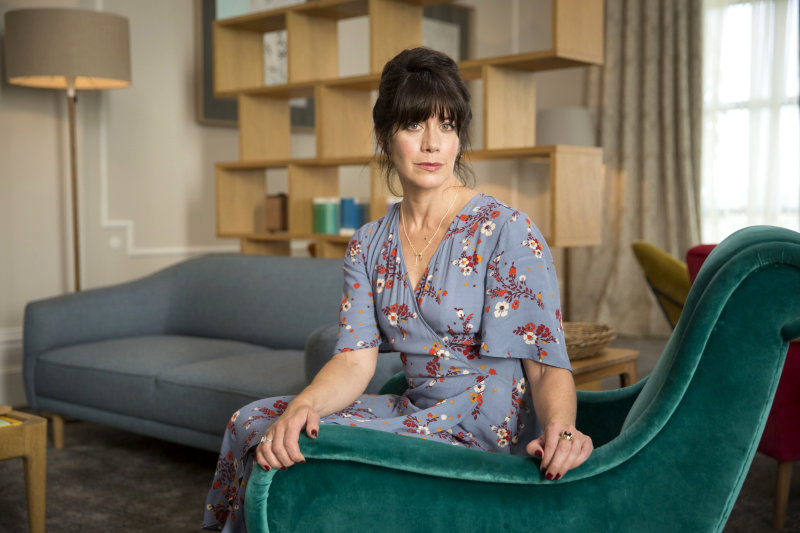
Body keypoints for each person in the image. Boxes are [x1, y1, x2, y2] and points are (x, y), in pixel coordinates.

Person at [203, 47, 593, 532]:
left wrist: (562, 429)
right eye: (413, 125)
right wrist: (304, 404)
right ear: (384, 136)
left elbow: (545, 364)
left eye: (446, 126)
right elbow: (354, 361)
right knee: (252, 423)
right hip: (415, 414)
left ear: (459, 137)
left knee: (322, 453)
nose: (432, 144)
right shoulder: (368, 244)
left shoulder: (506, 230)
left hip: (485, 430)